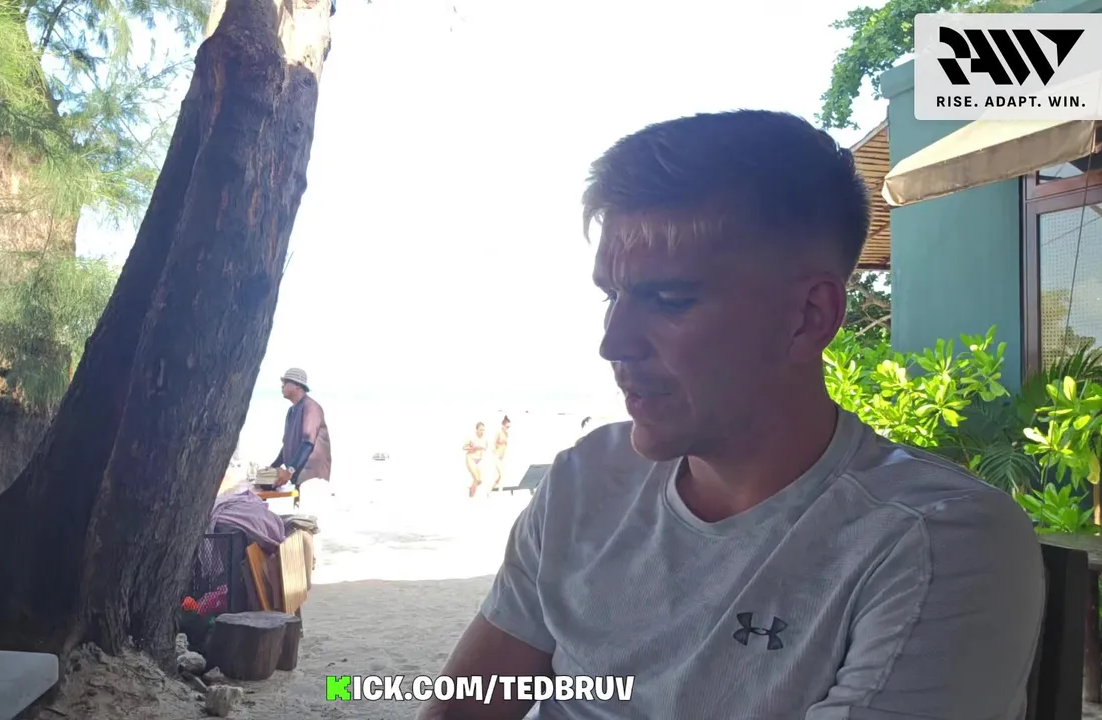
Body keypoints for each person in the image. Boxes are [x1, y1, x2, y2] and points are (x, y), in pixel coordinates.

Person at [419, 111, 1043, 719]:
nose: (614, 343)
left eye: (669, 299)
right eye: (613, 296)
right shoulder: (587, 480)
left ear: (808, 318)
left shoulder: (932, 540)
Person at [270, 367, 332, 531]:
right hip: (298, 479)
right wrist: (271, 468)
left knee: (308, 528)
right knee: (299, 529)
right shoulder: (292, 411)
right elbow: (286, 446)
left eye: (285, 382)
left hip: (312, 478)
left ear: (297, 385)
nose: (282, 386)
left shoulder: (311, 408)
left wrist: (289, 470)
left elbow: (307, 443)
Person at [462, 421, 487, 498]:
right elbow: (463, 447)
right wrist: (474, 448)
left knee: (479, 480)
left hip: (478, 461)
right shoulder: (471, 438)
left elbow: (485, 448)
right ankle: (471, 497)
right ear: (476, 430)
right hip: (470, 458)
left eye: (483, 430)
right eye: (480, 430)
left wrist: (483, 448)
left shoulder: (484, 439)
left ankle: (471, 492)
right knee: (476, 478)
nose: (482, 431)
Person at [489, 416, 511, 491]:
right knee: (500, 475)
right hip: (496, 456)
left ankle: (491, 490)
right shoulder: (498, 432)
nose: (507, 428)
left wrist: (503, 455)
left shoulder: (506, 434)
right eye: (507, 426)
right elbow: (493, 444)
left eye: (509, 427)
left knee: (500, 476)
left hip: (502, 457)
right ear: (503, 425)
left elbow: (505, 446)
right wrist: (496, 454)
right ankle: (492, 490)